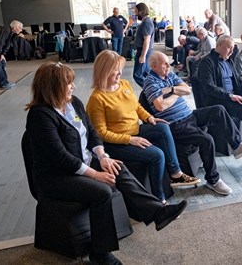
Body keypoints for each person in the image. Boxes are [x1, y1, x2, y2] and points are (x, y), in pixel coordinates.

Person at [25, 62, 187, 265]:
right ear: (52, 87)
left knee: (117, 166)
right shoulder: (40, 115)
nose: (73, 87)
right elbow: (60, 157)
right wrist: (95, 174)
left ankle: (157, 212)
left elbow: (92, 133)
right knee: (102, 191)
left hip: (81, 162)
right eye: (69, 83)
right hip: (56, 177)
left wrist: (102, 157)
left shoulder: (72, 102)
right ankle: (100, 255)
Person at [86, 50, 200, 203]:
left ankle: (176, 173)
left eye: (120, 69)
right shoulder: (97, 99)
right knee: (157, 155)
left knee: (162, 128)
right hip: (116, 142)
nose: (120, 73)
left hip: (135, 130)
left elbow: (137, 107)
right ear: (104, 71)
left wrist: (149, 117)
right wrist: (130, 140)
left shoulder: (124, 84)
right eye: (115, 71)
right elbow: (100, 133)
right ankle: (159, 200)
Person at [143, 51, 242, 195]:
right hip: (176, 124)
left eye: (168, 63)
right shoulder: (150, 82)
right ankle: (213, 180)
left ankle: (237, 146)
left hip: (190, 115)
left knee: (218, 110)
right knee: (207, 140)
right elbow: (161, 106)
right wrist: (176, 93)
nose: (168, 65)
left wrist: (172, 89)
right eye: (164, 64)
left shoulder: (169, 75)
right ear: (154, 66)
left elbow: (187, 89)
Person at [133, 2, 155, 87]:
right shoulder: (145, 22)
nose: (135, 13)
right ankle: (153, 91)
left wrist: (143, 55)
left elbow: (147, 40)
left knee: (138, 74)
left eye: (136, 11)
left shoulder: (147, 22)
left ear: (141, 11)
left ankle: (151, 91)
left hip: (144, 51)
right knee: (146, 73)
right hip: (142, 50)